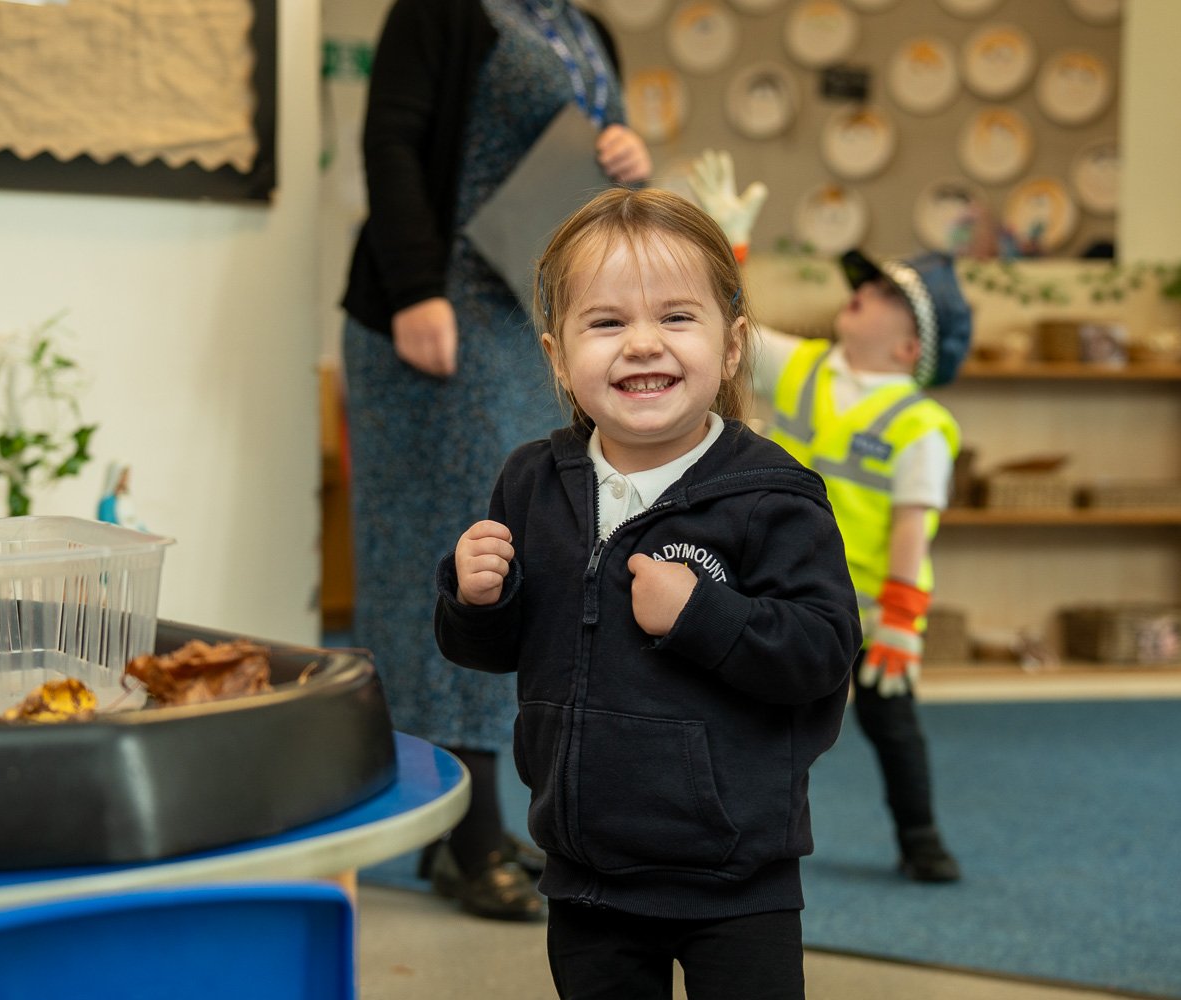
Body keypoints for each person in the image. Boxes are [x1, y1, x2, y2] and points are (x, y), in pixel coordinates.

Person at [435, 187, 861, 998]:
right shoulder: (532, 481)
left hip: (738, 881)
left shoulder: (772, 495)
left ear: (731, 345)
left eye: (675, 317)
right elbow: (490, 650)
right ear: (559, 356)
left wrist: (704, 616)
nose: (641, 345)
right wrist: (474, 598)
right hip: (587, 874)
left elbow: (823, 653)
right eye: (605, 323)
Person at [338, 0, 652, 921]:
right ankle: (467, 832)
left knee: (528, 546)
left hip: (527, 317)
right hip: (439, 313)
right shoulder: (443, 10)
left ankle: (467, 820)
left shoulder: (589, 26)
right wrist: (411, 290)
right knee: (457, 549)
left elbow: (571, 162)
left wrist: (625, 154)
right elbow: (392, 144)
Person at [689, 152, 970, 883]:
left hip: (875, 609)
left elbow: (913, 526)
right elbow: (735, 335)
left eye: (885, 294)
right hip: (788, 587)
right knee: (765, 715)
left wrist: (904, 625)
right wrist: (726, 248)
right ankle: (739, 828)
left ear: (912, 347)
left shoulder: (920, 424)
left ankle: (922, 837)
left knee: (892, 726)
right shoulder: (808, 366)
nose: (863, 292)